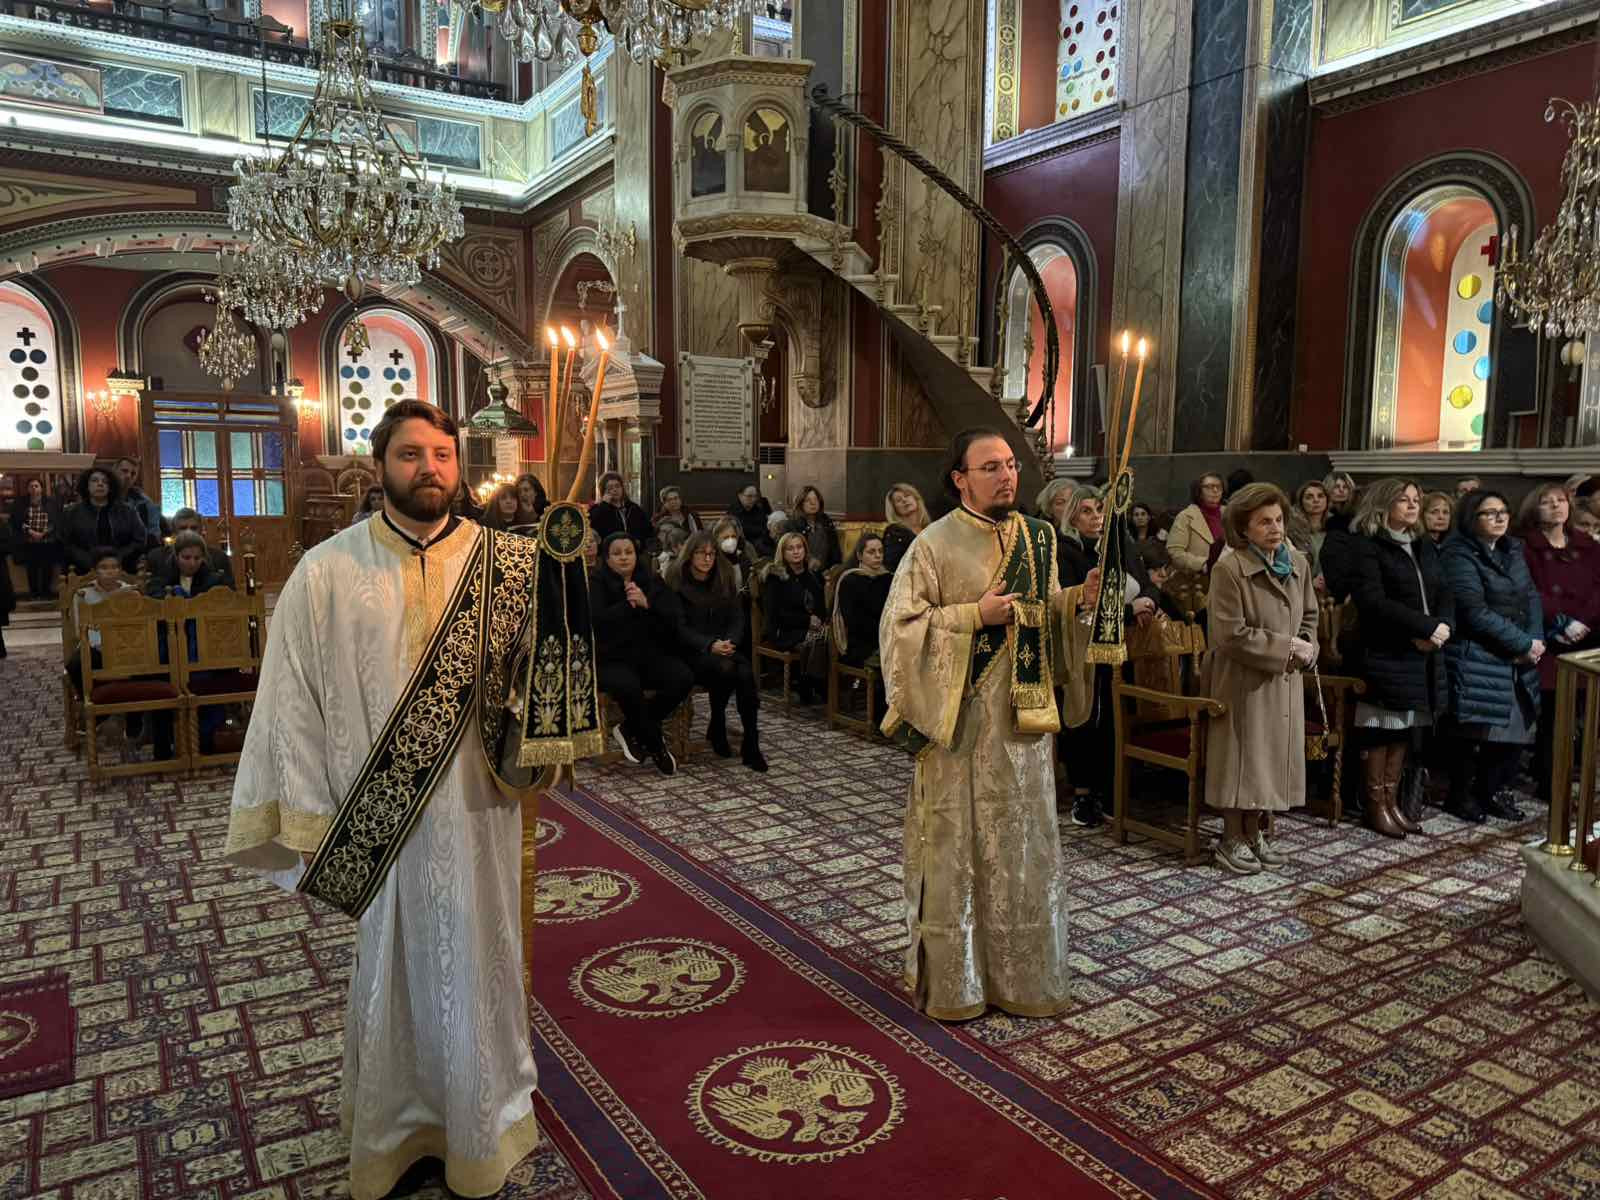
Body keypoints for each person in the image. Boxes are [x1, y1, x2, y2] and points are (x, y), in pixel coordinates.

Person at [223, 400, 550, 1200]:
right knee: (394, 973)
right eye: (410, 454)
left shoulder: (509, 565)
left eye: (442, 453)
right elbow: (291, 701)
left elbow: (541, 678)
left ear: (457, 465)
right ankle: (397, 1131)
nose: (428, 468)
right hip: (380, 817)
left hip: (479, 810)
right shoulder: (326, 571)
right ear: (380, 467)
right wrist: (308, 814)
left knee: (480, 959)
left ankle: (484, 1124)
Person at [879, 427, 1092, 1020]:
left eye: (1011, 465)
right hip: (961, 726)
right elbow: (900, 631)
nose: (1006, 476)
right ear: (960, 479)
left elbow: (1044, 616)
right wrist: (975, 615)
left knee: (1022, 849)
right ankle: (959, 984)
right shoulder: (932, 544)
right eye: (991, 467)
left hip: (1021, 728)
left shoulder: (1039, 538)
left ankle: (1023, 977)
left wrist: (1076, 601)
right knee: (959, 850)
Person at [1202, 483, 1318, 873]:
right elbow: (1230, 634)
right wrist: (1286, 647)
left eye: (1279, 520)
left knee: (1268, 759)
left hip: (1284, 678)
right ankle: (1230, 837)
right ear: (1244, 528)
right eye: (1264, 522)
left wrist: (1307, 644)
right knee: (1242, 760)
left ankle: (1254, 833)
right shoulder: (1229, 568)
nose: (1275, 528)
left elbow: (1310, 615)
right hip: (1242, 678)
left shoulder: (1297, 562)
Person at [1347, 480, 1452, 839]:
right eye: (1403, 500)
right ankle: (1375, 805)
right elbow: (1373, 602)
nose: (1412, 505)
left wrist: (1443, 626)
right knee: (1382, 727)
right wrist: (1423, 628)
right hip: (1385, 648)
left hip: (1422, 651)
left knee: (1405, 727)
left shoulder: (1423, 544)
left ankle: (1392, 802)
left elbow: (1445, 590)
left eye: (1416, 499)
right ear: (1382, 504)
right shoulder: (1367, 546)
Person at [1440, 489, 1543, 824]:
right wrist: (1522, 644)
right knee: (1475, 731)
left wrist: (1535, 640)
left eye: (1503, 511)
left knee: (1515, 727)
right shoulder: (1457, 553)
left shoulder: (1513, 549)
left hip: (1516, 650)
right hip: (1477, 650)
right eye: (1490, 513)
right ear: (1471, 518)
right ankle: (1461, 796)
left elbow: (1531, 597)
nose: (1500, 518)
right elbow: (1474, 611)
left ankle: (1491, 791)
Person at [1519, 481, 1600, 812]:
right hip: (1549, 636)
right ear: (1534, 508)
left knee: (1580, 713)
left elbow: (1598, 588)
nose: (1556, 506)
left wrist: (1583, 622)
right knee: (1553, 715)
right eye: (1547, 501)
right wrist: (1561, 623)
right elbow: (1529, 590)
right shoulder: (1525, 547)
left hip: (1587, 636)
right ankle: (1549, 779)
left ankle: (1571, 774)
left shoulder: (1587, 545)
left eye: (1561, 500)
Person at [591, 532, 692, 775]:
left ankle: (629, 728)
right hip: (610, 658)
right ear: (607, 558)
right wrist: (627, 605)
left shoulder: (651, 580)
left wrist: (647, 604)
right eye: (617, 553)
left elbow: (672, 617)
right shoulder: (596, 582)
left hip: (647, 654)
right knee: (628, 686)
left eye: (629, 552)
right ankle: (656, 746)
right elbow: (595, 621)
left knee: (682, 676)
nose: (624, 558)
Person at [668, 530, 767, 772]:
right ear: (690, 555)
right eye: (701, 553)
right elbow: (678, 628)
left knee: (743, 673)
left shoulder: (724, 577)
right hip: (691, 651)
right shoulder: (676, 581)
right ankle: (719, 723)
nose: (707, 559)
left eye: (712, 554)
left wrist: (730, 641)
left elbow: (737, 617)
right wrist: (710, 644)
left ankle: (751, 740)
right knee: (730, 668)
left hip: (723, 647)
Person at [762, 531, 829, 704]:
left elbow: (821, 606)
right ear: (783, 553)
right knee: (817, 640)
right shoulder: (776, 577)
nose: (796, 551)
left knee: (829, 637)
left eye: (799, 547)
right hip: (784, 629)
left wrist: (820, 620)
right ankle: (813, 685)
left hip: (812, 627)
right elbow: (776, 614)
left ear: (805, 550)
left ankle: (812, 683)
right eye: (790, 548)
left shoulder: (813, 575)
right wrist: (807, 621)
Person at [60, 466, 147, 575]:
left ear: (110, 487)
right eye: (95, 480)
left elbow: (140, 540)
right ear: (87, 486)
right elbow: (65, 542)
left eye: (105, 481)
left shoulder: (128, 511)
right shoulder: (71, 512)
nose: (100, 484)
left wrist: (117, 558)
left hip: (122, 569)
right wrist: (89, 560)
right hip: (82, 571)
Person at [833, 532, 892, 668]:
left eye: (880, 551)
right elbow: (853, 621)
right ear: (859, 555)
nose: (878, 555)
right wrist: (884, 631)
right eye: (871, 552)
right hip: (862, 644)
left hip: (887, 637)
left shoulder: (888, 578)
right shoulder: (850, 580)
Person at [144, 509, 235, 588]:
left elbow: (230, 594)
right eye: (183, 528)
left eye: (193, 528)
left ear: (201, 530)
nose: (189, 532)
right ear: (174, 532)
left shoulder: (218, 557)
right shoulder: (156, 557)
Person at [11, 476, 60, 600]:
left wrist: (44, 533)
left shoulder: (51, 502)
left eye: (36, 486)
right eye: (31, 486)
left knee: (47, 568)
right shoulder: (21, 503)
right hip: (29, 541)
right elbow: (16, 521)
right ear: (28, 489)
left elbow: (56, 521)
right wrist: (31, 532)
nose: (34, 488)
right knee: (32, 568)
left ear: (41, 488)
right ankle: (34, 593)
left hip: (48, 541)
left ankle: (46, 592)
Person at [1166, 472, 1226, 574]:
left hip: (1227, 576)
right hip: (1197, 577)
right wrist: (1204, 565)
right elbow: (1175, 552)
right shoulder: (1185, 516)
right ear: (1199, 492)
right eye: (1209, 487)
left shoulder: (1230, 514)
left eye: (1219, 487)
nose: (1215, 490)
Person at [784, 485, 842, 571]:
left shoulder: (826, 521)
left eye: (816, 499)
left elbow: (835, 548)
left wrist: (836, 567)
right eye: (808, 500)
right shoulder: (792, 524)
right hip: (802, 571)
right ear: (800, 503)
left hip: (827, 572)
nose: (813, 503)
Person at [589, 471, 651, 547]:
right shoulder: (598, 509)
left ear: (622, 488)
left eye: (617, 486)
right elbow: (593, 529)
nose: (615, 490)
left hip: (633, 550)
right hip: (610, 550)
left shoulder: (634, 508)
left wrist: (640, 541)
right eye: (610, 488)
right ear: (604, 491)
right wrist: (604, 505)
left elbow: (647, 530)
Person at [883, 482, 932, 571]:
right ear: (895, 509)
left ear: (916, 498)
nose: (904, 500)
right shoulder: (894, 532)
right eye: (898, 500)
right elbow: (892, 565)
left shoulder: (931, 528)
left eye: (907, 495)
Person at [115, 457, 161, 547]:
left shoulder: (144, 502)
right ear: (114, 472)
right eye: (124, 471)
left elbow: (153, 533)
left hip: (138, 548)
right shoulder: (102, 497)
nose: (128, 476)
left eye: (133, 474)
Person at [1293, 480, 1330, 583]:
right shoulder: (1293, 531)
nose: (1316, 500)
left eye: (1320, 496)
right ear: (1301, 502)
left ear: (1327, 500)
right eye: (1309, 497)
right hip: (1303, 585)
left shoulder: (1334, 528)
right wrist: (1310, 582)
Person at [728, 483, 775, 558]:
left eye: (755, 496)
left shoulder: (759, 509)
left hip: (762, 542)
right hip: (744, 544)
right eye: (749, 496)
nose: (753, 499)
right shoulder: (733, 511)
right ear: (740, 496)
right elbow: (740, 531)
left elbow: (765, 526)